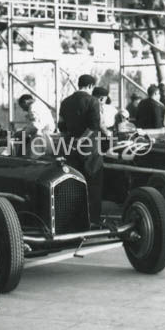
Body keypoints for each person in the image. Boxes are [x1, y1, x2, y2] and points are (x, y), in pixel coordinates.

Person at [58, 74, 103, 224]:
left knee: (72, 183)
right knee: (93, 184)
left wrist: (71, 140)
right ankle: (93, 221)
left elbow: (62, 126)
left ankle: (74, 221)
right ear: (91, 86)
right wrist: (82, 140)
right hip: (89, 149)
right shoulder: (93, 101)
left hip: (70, 147)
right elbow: (94, 125)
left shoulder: (65, 102)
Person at [17, 93, 57, 157]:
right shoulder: (40, 105)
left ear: (25, 102)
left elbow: (35, 126)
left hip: (40, 136)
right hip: (47, 134)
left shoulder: (32, 108)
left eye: (23, 106)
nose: (23, 110)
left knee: (35, 160)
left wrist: (23, 132)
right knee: (47, 157)